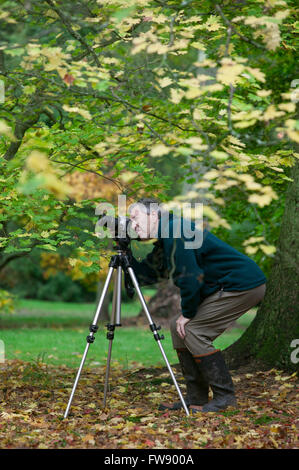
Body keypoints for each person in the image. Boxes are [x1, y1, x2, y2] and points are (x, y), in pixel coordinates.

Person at [128, 198, 267, 413]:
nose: (133, 225)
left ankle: (225, 398)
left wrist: (189, 313)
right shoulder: (168, 234)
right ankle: (196, 398)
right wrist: (126, 251)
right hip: (227, 285)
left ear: (153, 215)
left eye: (135, 218)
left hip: (241, 284)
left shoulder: (175, 230)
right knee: (177, 326)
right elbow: (151, 273)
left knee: (193, 330)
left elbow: (190, 277)